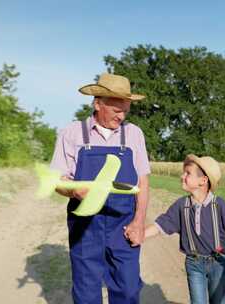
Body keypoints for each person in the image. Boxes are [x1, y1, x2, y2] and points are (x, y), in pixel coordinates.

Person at [50, 73, 150, 303]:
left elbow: (143, 182)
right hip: (85, 226)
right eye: (116, 110)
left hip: (122, 224)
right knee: (86, 292)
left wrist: (138, 221)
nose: (122, 115)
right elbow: (58, 180)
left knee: (128, 289)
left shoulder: (134, 134)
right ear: (98, 103)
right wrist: (73, 190)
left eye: (126, 109)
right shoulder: (72, 133)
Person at [141, 154, 225, 304]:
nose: (182, 176)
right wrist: (140, 234)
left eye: (188, 173)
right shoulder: (181, 205)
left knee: (218, 301)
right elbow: (161, 225)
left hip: (218, 263)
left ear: (203, 181)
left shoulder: (219, 205)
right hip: (194, 264)